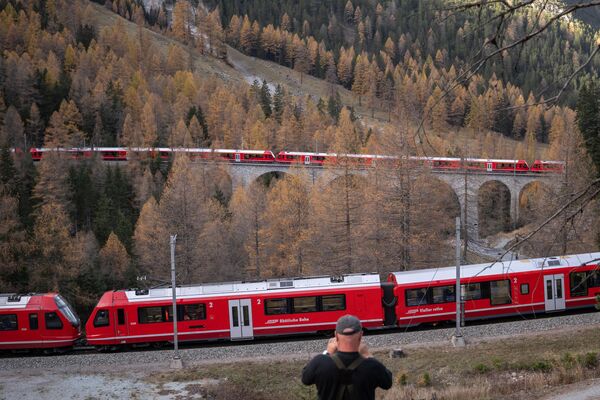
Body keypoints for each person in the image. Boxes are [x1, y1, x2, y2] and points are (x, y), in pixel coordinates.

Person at [301, 315, 393, 400]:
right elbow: (388, 382)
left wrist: (327, 353)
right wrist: (367, 354)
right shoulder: (372, 366)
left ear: (336, 336)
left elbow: (305, 378)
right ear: (361, 335)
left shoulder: (320, 362)